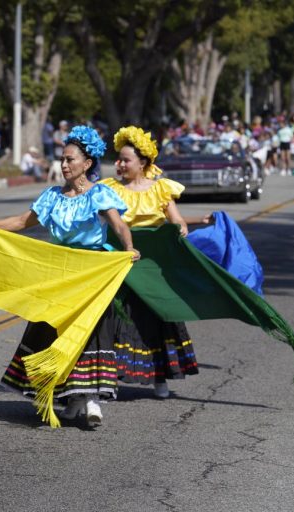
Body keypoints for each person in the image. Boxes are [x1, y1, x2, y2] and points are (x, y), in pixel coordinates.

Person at [0, 125, 139, 426]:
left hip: (91, 271)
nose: (64, 164)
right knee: (52, 330)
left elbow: (119, 224)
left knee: (88, 331)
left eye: (71, 159)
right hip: (58, 270)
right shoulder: (52, 197)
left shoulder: (99, 194)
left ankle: (92, 400)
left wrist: (129, 247)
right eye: (62, 159)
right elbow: (21, 222)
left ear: (87, 164)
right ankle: (70, 398)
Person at [100, 126, 199, 397]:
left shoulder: (160, 189)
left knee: (157, 318)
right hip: (121, 262)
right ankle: (112, 378)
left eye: (125, 160)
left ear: (142, 162)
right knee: (117, 317)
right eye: (118, 159)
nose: (119, 164)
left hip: (153, 266)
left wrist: (180, 227)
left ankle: (160, 378)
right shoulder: (109, 190)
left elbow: (175, 219)